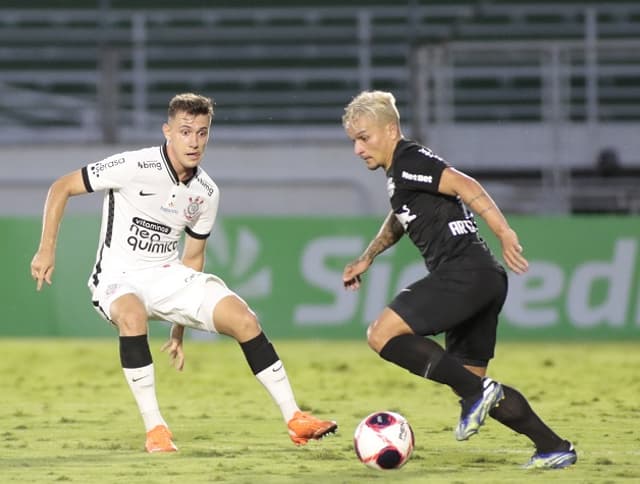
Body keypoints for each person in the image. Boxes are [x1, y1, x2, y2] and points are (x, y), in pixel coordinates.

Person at [30, 92, 337, 453]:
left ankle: (295, 418)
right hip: (118, 275)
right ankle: (155, 429)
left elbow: (192, 260)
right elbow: (61, 187)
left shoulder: (206, 193)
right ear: (168, 131)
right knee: (131, 315)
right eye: (186, 131)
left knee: (245, 319)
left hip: (168, 275)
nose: (194, 141)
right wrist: (47, 248)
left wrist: (179, 329)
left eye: (202, 133)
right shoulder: (133, 165)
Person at [340, 90, 576, 470]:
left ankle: (477, 394)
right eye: (353, 140)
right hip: (484, 278)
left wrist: (504, 232)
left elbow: (466, 185)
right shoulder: (402, 174)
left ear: (390, 129)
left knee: (381, 334)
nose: (357, 149)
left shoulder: (408, 159)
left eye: (363, 138)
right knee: (469, 381)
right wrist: (367, 256)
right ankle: (553, 446)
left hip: (464, 272)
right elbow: (400, 217)